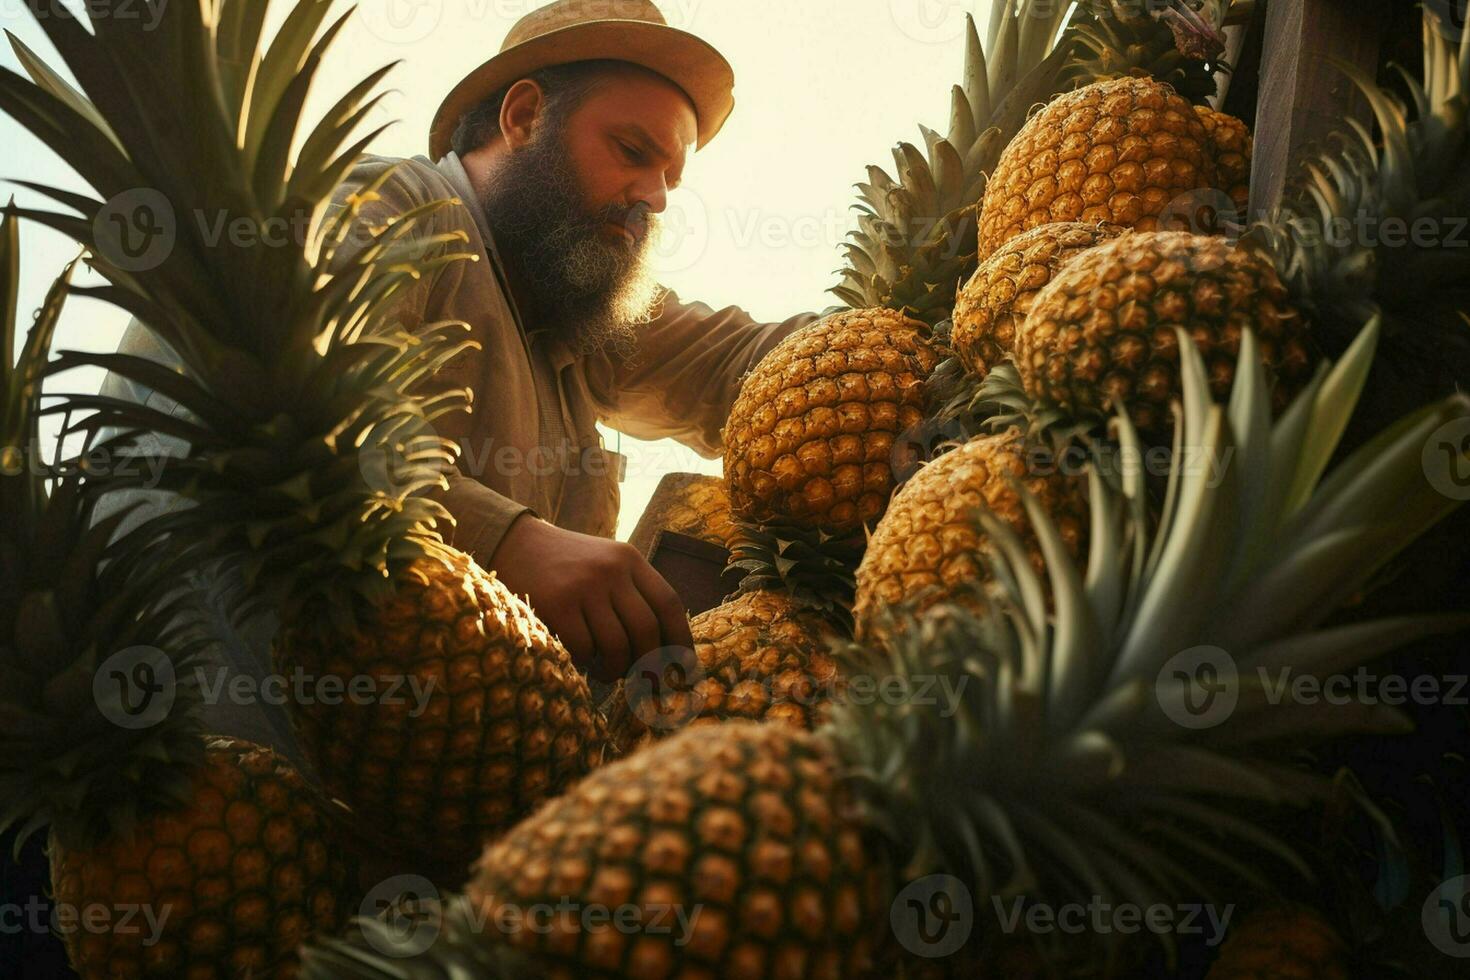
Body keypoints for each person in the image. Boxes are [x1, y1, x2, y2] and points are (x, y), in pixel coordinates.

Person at [98, 0, 815, 759]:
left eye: (670, 176)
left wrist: (909, 332)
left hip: (404, 802)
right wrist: (509, 542)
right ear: (525, 115)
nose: (655, 196)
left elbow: (742, 359)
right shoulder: (388, 202)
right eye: (633, 150)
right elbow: (291, 392)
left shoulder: (574, 317)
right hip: (199, 768)